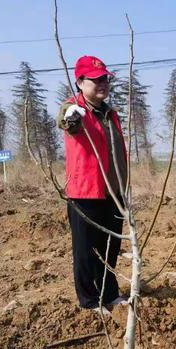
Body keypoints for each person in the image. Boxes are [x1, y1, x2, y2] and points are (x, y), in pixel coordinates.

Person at [57, 55, 128, 312]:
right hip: (86, 193)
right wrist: (71, 116)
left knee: (110, 248)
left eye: (105, 79)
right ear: (79, 82)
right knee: (86, 251)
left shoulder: (110, 113)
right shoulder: (74, 108)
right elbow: (66, 121)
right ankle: (89, 301)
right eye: (95, 80)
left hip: (114, 192)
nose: (103, 83)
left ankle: (109, 294)